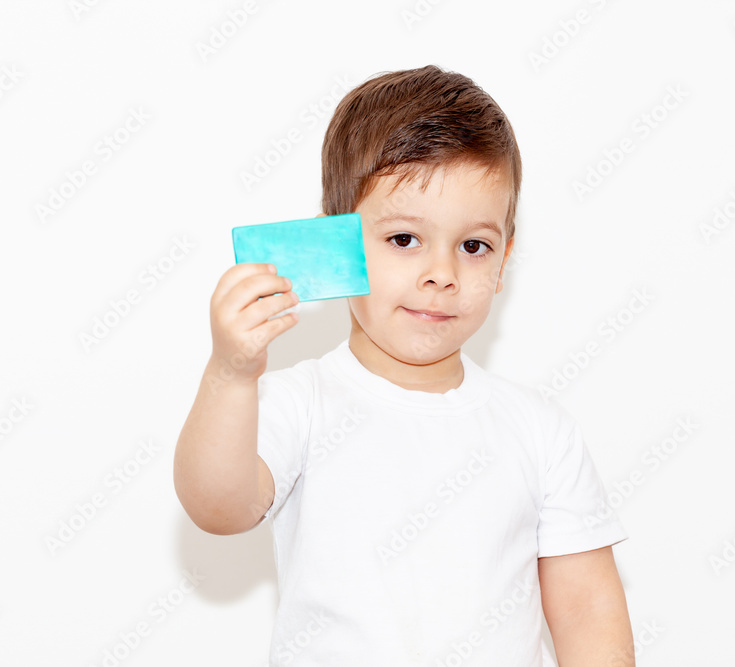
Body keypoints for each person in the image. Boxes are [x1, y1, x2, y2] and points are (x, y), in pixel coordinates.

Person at [174, 64, 634, 666]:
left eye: (473, 247)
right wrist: (230, 375)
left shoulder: (540, 431)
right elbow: (218, 508)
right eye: (404, 239)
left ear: (503, 261)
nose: (442, 273)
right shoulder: (302, 403)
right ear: (335, 246)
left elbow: (587, 611)